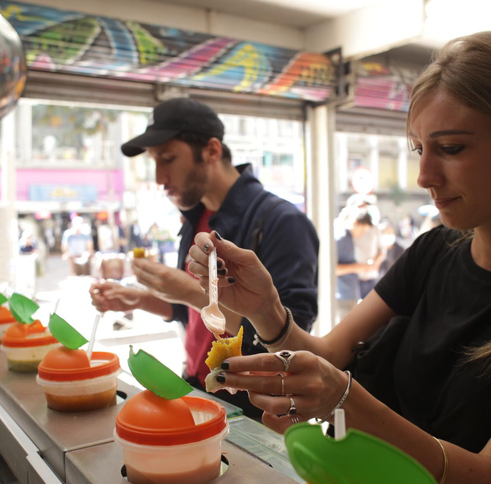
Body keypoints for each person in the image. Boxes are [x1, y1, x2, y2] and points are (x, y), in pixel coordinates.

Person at [186, 31, 491, 484]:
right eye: (419, 150)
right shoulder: (434, 251)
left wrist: (344, 401)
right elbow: (329, 358)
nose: (425, 176)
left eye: (450, 148)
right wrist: (267, 309)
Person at [89, 98, 319, 418]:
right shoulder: (196, 218)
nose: (159, 177)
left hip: (254, 409)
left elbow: (290, 342)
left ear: (212, 151)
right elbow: (194, 317)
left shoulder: (281, 222)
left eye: (168, 159)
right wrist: (141, 300)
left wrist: (188, 290)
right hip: (198, 385)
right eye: (154, 162)